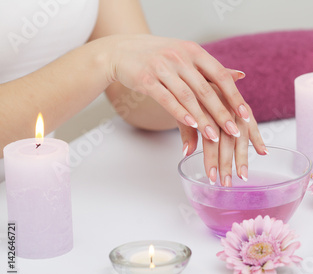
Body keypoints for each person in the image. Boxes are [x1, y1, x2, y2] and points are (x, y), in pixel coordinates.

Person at [0, 0, 267, 186]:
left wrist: (191, 99)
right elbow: (115, 57)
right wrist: (103, 59)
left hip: (37, 186)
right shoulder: (105, 56)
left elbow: (129, 92)